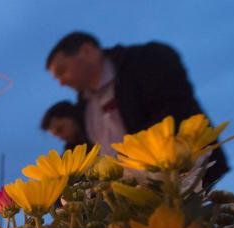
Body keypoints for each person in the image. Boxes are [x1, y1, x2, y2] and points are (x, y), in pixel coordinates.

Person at [46, 31, 228, 185]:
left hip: (188, 177)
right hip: (133, 199)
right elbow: (79, 153)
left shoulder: (147, 60)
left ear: (87, 51)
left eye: (62, 71)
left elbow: (175, 114)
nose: (61, 83)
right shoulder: (82, 109)